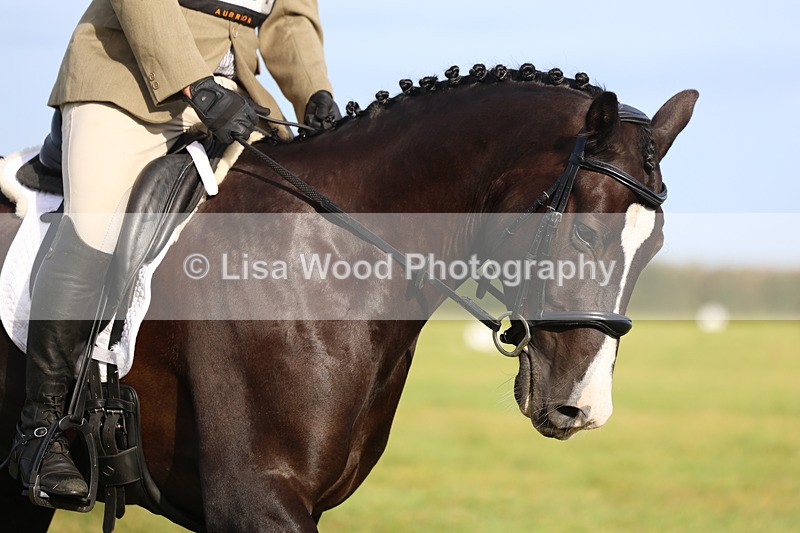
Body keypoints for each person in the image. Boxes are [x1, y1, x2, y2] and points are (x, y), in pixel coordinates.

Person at [9, 0, 340, 502]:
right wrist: (194, 82)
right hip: (129, 84)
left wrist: (313, 92)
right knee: (93, 228)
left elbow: (289, 19)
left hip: (235, 101)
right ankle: (41, 431)